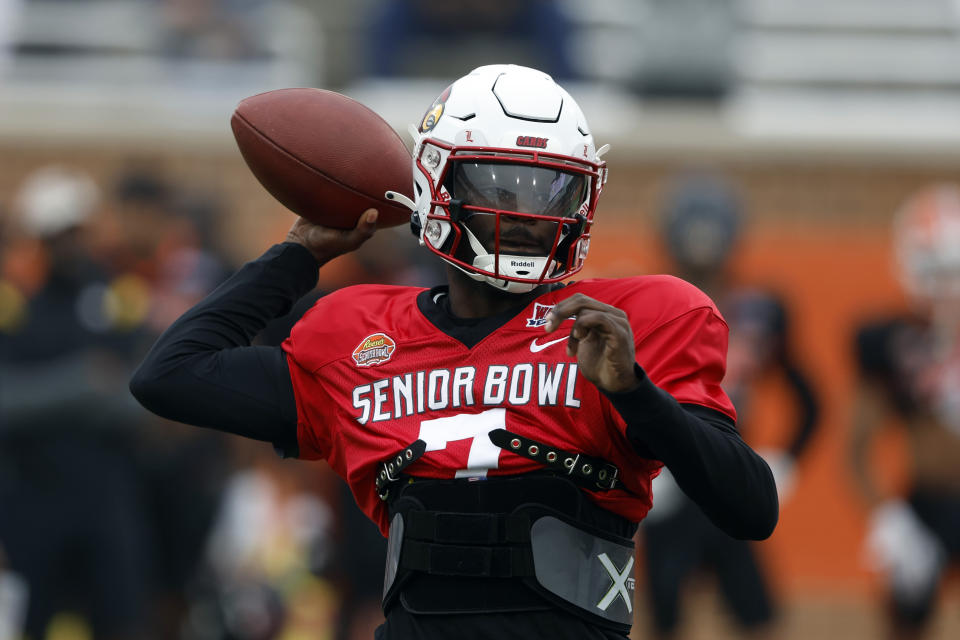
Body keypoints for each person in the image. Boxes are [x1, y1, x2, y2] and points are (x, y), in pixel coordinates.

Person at [130, 64, 778, 640]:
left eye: (554, 191)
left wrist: (635, 393)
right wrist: (298, 255)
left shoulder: (625, 326)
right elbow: (169, 375)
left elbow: (750, 507)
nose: (531, 215)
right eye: (503, 187)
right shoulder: (357, 334)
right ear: (439, 184)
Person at [641, 174, 820, 638]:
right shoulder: (647, 305)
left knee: (756, 615)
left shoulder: (758, 308)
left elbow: (809, 400)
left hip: (728, 474)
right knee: (664, 613)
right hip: (667, 487)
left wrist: (785, 460)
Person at [849, 184, 960, 640]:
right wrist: (888, 517)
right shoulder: (895, 346)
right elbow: (855, 447)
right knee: (905, 617)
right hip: (929, 502)